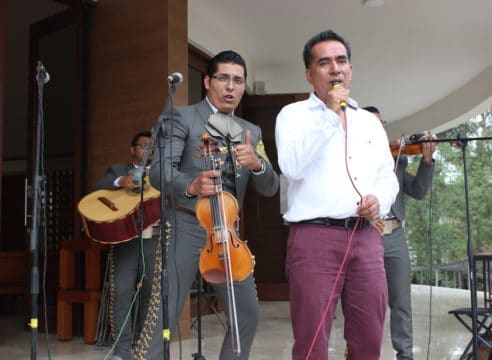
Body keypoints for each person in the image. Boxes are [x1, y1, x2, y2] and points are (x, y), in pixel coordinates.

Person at [275, 30, 399, 360]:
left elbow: (387, 177)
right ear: (309, 73)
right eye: (324, 62)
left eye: (341, 61)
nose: (335, 68)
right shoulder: (293, 116)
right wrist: (330, 114)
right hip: (314, 238)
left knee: (369, 337)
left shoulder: (369, 123)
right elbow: (291, 167)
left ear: (351, 69)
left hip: (366, 238)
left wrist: (379, 201)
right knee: (312, 340)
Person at [149, 50, 279, 359]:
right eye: (223, 78)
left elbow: (271, 186)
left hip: (227, 234)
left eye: (238, 80)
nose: (231, 87)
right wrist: (191, 185)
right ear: (208, 81)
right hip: (184, 225)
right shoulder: (181, 116)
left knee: (246, 314)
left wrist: (258, 164)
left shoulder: (252, 131)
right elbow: (158, 171)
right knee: (163, 317)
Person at [363, 105, 436, 360]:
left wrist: (426, 161)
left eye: (381, 124)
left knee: (401, 303)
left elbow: (417, 191)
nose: (378, 129)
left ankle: (405, 356)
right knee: (365, 304)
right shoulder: (351, 160)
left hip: (394, 236)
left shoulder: (396, 158)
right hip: (364, 235)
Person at [96, 131, 164, 360]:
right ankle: (122, 351)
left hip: (154, 240)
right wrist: (120, 181)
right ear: (132, 149)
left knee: (150, 297)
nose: (148, 150)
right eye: (144, 145)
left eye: (152, 147)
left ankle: (145, 349)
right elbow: (99, 188)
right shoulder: (117, 169)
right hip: (125, 241)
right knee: (121, 293)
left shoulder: (162, 173)